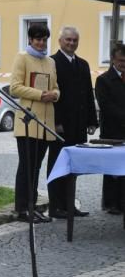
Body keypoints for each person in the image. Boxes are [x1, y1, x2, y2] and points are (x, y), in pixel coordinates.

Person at [10, 24, 59, 224]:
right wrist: (40, 94)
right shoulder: (22, 57)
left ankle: (32, 206)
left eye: (44, 39)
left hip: (46, 123)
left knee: (36, 168)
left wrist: (55, 94)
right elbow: (15, 88)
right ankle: (22, 209)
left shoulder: (50, 62)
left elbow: (56, 87)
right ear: (30, 39)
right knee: (27, 167)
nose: (41, 42)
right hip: (28, 122)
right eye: (37, 39)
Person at [47, 27, 98, 218]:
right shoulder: (52, 62)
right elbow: (53, 94)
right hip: (61, 126)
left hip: (78, 125)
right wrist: (56, 122)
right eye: (68, 40)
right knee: (57, 165)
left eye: (75, 40)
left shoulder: (83, 64)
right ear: (60, 41)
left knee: (73, 168)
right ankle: (55, 206)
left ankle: (69, 205)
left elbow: (87, 93)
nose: (71, 43)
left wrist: (92, 121)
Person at [95, 43, 125, 215]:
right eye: (121, 60)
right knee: (113, 168)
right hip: (112, 131)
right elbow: (106, 106)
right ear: (113, 60)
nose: (124, 64)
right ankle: (111, 203)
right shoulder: (103, 80)